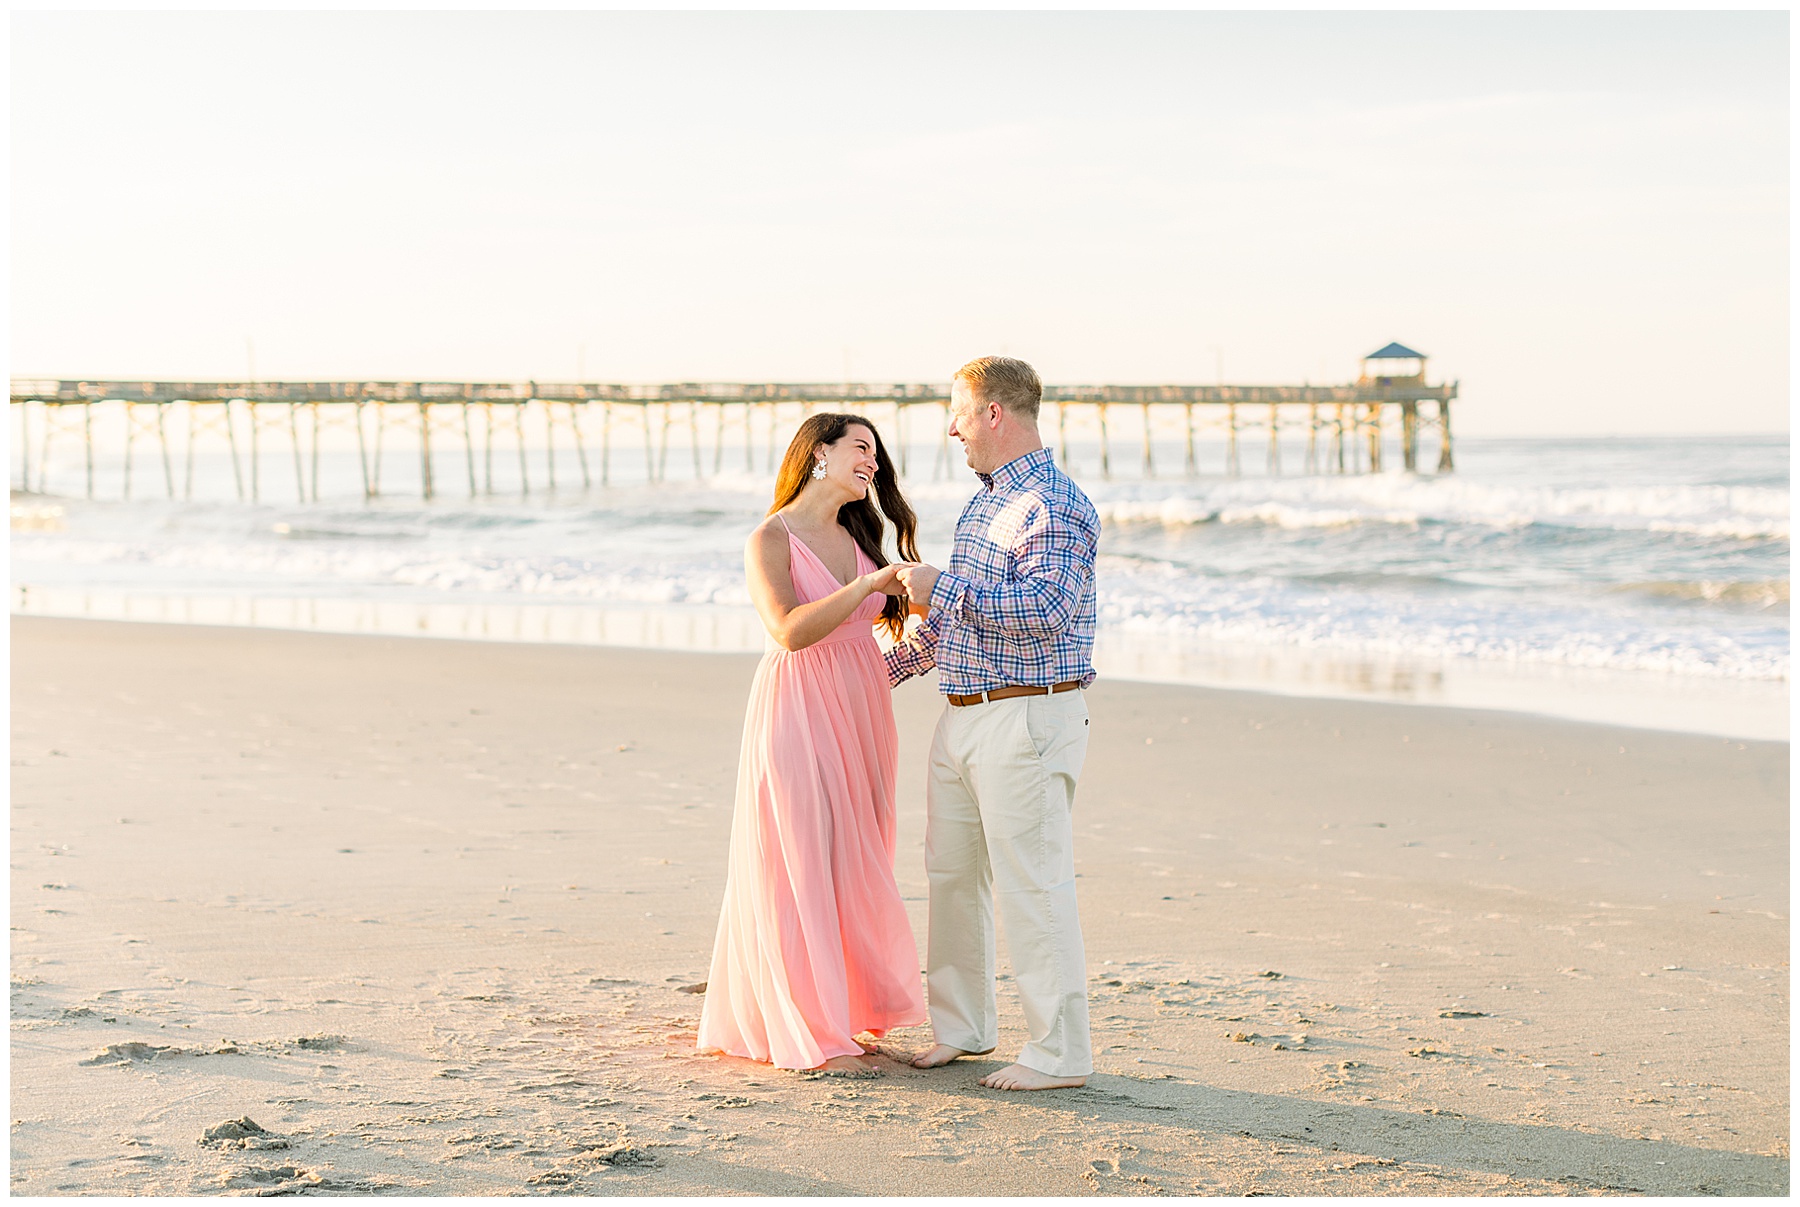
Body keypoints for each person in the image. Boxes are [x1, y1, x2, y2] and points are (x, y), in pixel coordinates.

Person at [888, 356, 1101, 1092]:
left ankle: (1060, 1051)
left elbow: (1047, 613)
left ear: (993, 414)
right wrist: (869, 672)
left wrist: (942, 585)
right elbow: (956, 622)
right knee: (951, 874)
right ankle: (964, 1025)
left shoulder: (1055, 503)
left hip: (1029, 717)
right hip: (964, 715)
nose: (950, 427)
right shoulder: (984, 504)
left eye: (957, 410)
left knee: (1032, 885)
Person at [697, 413, 927, 1077]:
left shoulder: (860, 536)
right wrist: (866, 587)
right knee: (797, 846)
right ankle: (803, 1014)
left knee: (855, 851)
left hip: (862, 710)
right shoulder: (770, 537)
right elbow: (790, 630)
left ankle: (847, 1006)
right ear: (818, 453)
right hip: (796, 704)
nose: (873, 463)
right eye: (861, 448)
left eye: (876, 455)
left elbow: (902, 625)